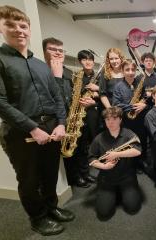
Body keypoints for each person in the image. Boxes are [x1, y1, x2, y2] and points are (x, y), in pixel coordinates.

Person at [0, 6, 74, 236]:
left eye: (23, 26)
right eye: (11, 25)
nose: (18, 30)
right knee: (29, 179)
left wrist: (61, 123)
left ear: (29, 29)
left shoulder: (41, 65)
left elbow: (56, 97)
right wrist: (33, 128)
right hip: (20, 132)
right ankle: (38, 218)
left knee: (50, 173)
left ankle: (52, 207)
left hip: (52, 126)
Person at [88, 106, 142, 220]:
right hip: (107, 178)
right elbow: (91, 159)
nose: (111, 122)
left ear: (120, 120)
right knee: (103, 213)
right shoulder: (99, 138)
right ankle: (113, 193)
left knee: (133, 207)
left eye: (114, 118)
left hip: (126, 176)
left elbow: (137, 151)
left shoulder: (128, 134)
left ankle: (122, 192)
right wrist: (103, 166)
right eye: (108, 119)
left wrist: (116, 154)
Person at [64, 50, 100, 187]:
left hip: (90, 116)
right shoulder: (76, 77)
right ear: (80, 61)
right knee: (76, 147)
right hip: (77, 115)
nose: (88, 62)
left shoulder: (97, 77)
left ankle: (85, 173)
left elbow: (104, 97)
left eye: (90, 59)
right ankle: (76, 177)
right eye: (84, 59)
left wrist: (96, 96)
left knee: (85, 147)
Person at [112, 59, 148, 172]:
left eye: (133, 69)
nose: (131, 72)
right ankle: (131, 165)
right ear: (122, 71)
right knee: (130, 142)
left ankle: (141, 161)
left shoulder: (139, 84)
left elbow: (145, 98)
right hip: (127, 121)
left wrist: (144, 104)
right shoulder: (118, 86)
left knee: (142, 140)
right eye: (127, 70)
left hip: (140, 119)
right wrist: (132, 107)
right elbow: (116, 104)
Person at [42, 37, 72, 112]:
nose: (58, 53)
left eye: (61, 51)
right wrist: (57, 78)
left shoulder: (69, 72)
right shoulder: (39, 72)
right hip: (53, 118)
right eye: (52, 49)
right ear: (44, 52)